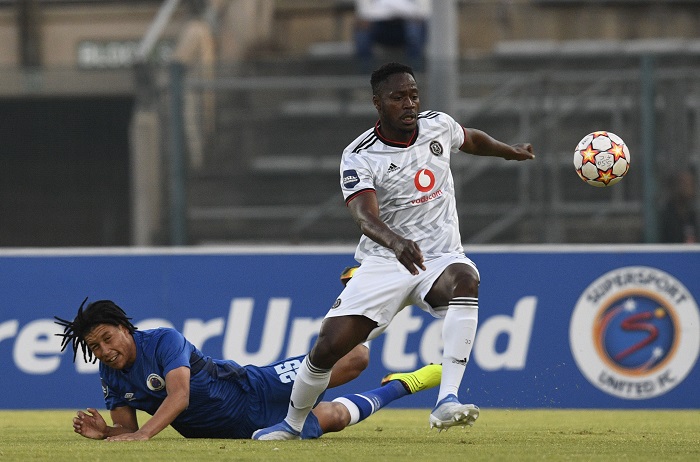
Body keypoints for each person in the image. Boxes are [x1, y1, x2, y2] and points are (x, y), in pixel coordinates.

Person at [253, 62, 535, 440]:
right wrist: (396, 242)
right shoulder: (359, 154)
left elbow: (471, 139)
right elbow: (363, 215)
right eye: (398, 97)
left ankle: (447, 399)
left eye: (414, 95)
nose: (409, 103)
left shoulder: (438, 125)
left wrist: (508, 151)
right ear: (378, 103)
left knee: (466, 277)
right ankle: (292, 424)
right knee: (327, 348)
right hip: (385, 261)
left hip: (439, 258)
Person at [54, 298, 442, 440]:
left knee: (356, 357)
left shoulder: (162, 341)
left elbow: (180, 397)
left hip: (253, 388)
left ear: (124, 329)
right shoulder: (111, 375)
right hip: (244, 431)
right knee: (335, 417)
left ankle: (382, 298)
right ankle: (403, 385)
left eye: (107, 338)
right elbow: (128, 430)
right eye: (94, 347)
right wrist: (108, 432)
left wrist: (143, 438)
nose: (103, 351)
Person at [354, 0, 431, 71]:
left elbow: (423, 11)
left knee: (415, 30)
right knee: (362, 29)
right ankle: (366, 75)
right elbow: (364, 11)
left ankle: (414, 74)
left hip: (406, 22)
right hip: (379, 23)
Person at [659, 169, 698, 243]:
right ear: (675, 186)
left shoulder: (692, 216)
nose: (688, 188)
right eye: (684, 183)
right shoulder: (664, 217)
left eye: (690, 184)